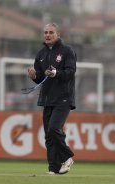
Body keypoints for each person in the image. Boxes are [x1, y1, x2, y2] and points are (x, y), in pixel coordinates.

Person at [27, 23, 76, 175]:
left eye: (51, 32)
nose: (47, 35)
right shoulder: (41, 54)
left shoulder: (67, 51)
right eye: (46, 32)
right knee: (49, 135)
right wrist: (34, 76)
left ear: (58, 35)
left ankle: (67, 157)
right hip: (47, 98)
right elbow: (42, 79)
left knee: (54, 128)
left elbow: (70, 72)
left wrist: (56, 73)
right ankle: (53, 168)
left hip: (63, 98)